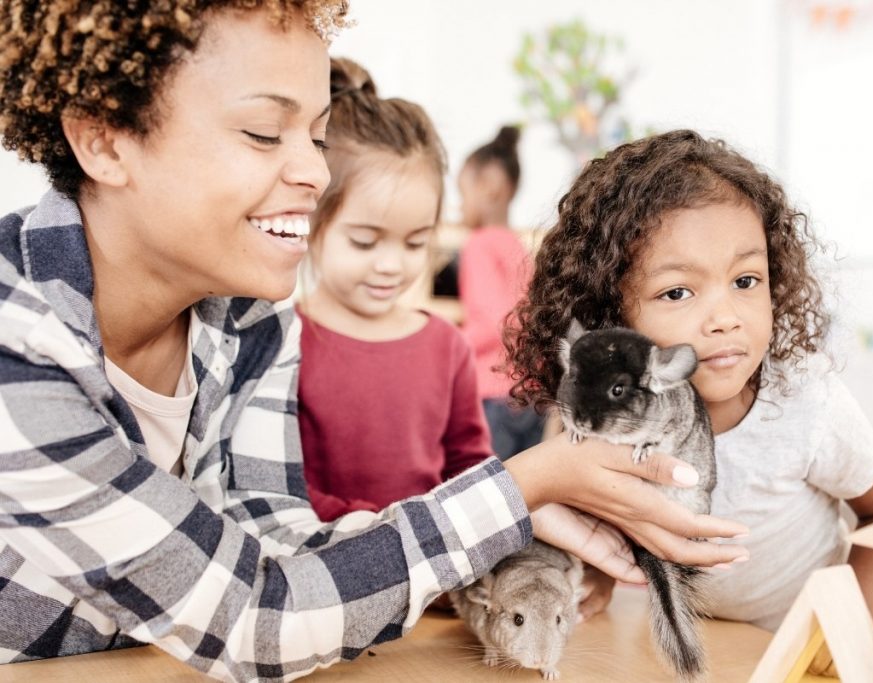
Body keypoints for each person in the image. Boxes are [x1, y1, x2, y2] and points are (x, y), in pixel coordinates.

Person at [0, 4, 748, 681]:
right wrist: (522, 488)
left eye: (319, 137)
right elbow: (258, 615)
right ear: (103, 137)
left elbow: (282, 542)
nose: (314, 172)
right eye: (265, 132)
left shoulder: (249, 321)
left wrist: (505, 525)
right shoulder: (18, 346)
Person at [507, 129, 873, 667]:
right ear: (611, 319)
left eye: (747, 280)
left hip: (794, 647)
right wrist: (600, 573)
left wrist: (839, 639)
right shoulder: (602, 414)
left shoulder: (807, 404)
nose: (726, 318)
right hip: (697, 643)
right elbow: (601, 502)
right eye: (678, 292)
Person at [297, 57, 492, 521]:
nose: (391, 266)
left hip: (433, 580)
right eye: (364, 241)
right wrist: (386, 534)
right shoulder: (283, 340)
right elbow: (278, 491)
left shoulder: (447, 348)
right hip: (319, 572)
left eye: (415, 242)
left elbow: (471, 472)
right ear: (312, 221)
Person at [456, 125, 547, 461]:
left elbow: (496, 323)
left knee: (486, 493)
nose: (459, 206)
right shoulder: (517, 246)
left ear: (490, 187)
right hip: (531, 396)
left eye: (462, 193)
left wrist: (447, 344)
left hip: (494, 395)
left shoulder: (478, 244)